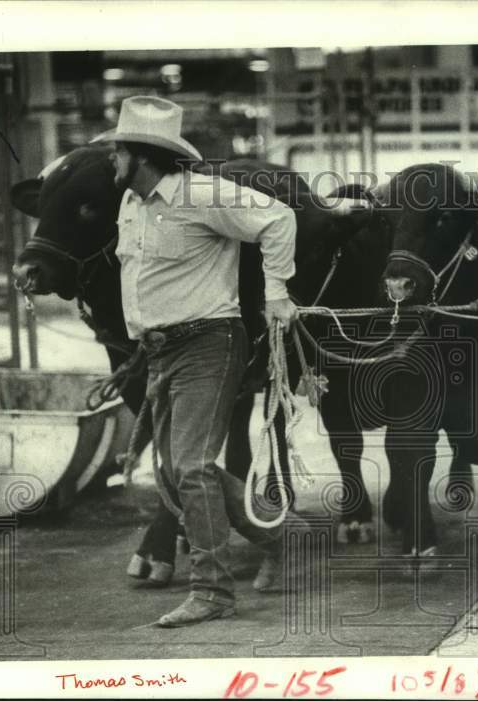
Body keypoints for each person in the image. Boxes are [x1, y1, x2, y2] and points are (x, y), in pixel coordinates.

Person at [92, 95, 300, 627]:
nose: (111, 160)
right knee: (175, 472)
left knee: (189, 468)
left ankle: (213, 590)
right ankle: (277, 533)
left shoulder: (200, 193)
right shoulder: (132, 204)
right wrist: (142, 338)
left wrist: (275, 292)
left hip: (209, 342)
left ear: (139, 155)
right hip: (161, 349)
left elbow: (278, 218)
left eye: (116, 151)